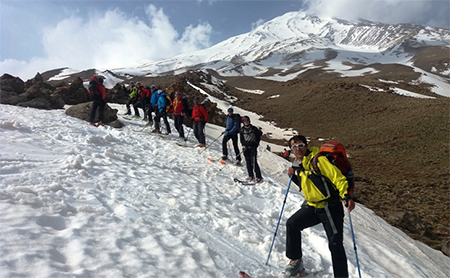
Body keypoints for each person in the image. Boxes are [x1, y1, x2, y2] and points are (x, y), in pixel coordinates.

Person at [284, 135, 355, 278]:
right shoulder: (299, 163)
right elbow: (308, 185)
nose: (298, 149)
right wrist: (295, 176)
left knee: (335, 245)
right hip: (313, 207)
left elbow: (338, 178)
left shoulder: (318, 160)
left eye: (300, 145)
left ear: (306, 145)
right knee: (292, 224)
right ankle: (296, 261)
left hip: (330, 208)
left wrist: (346, 196)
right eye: (294, 147)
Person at [239, 116, 263, 182]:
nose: (246, 122)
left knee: (254, 162)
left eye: (247, 121)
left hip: (253, 148)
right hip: (246, 148)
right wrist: (246, 144)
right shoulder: (242, 130)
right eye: (245, 121)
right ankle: (250, 175)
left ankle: (259, 177)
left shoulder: (254, 129)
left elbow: (258, 137)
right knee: (248, 162)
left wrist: (255, 144)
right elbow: (241, 140)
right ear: (243, 122)